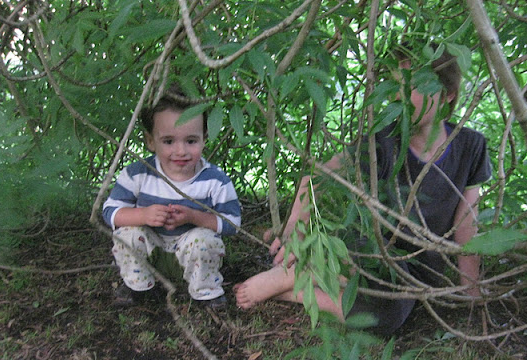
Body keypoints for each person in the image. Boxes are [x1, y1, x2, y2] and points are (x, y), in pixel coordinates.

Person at [234, 43, 492, 335]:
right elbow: (319, 174)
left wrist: (470, 287)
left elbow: (466, 222)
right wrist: (296, 224)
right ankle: (292, 276)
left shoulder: (470, 146)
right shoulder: (383, 142)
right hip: (370, 253)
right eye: (397, 84)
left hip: (418, 273)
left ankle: (294, 288)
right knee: (361, 256)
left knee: (390, 316)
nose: (402, 94)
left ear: (448, 94)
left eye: (416, 85)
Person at [103, 84, 241, 309]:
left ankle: (205, 291)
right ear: (151, 141)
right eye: (168, 141)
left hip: (193, 257)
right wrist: (142, 215)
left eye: (191, 141)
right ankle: (138, 286)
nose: (181, 151)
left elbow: (233, 223)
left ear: (204, 138)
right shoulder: (138, 174)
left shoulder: (215, 180)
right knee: (127, 235)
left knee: (204, 240)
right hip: (150, 254)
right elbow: (110, 212)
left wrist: (194, 217)